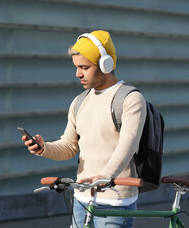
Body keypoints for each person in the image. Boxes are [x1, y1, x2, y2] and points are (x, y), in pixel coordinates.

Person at [21, 30, 147, 228]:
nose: (78, 73)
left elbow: (128, 145)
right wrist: (43, 148)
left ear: (106, 64)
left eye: (84, 67)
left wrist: (105, 176)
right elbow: (69, 147)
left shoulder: (130, 99)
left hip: (115, 201)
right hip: (82, 198)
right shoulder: (79, 102)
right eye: (76, 67)